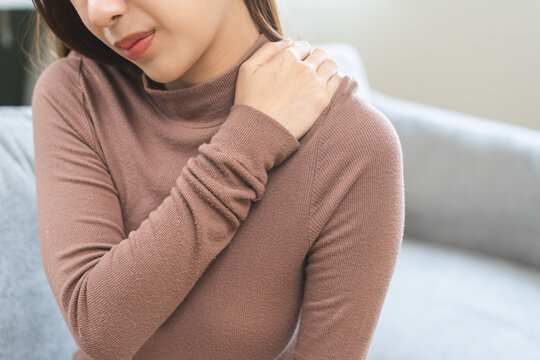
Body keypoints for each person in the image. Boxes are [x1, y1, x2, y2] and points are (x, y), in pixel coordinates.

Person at [31, 0, 405, 359]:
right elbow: (99, 327)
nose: (98, 11)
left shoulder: (354, 145)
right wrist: (249, 142)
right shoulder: (77, 93)